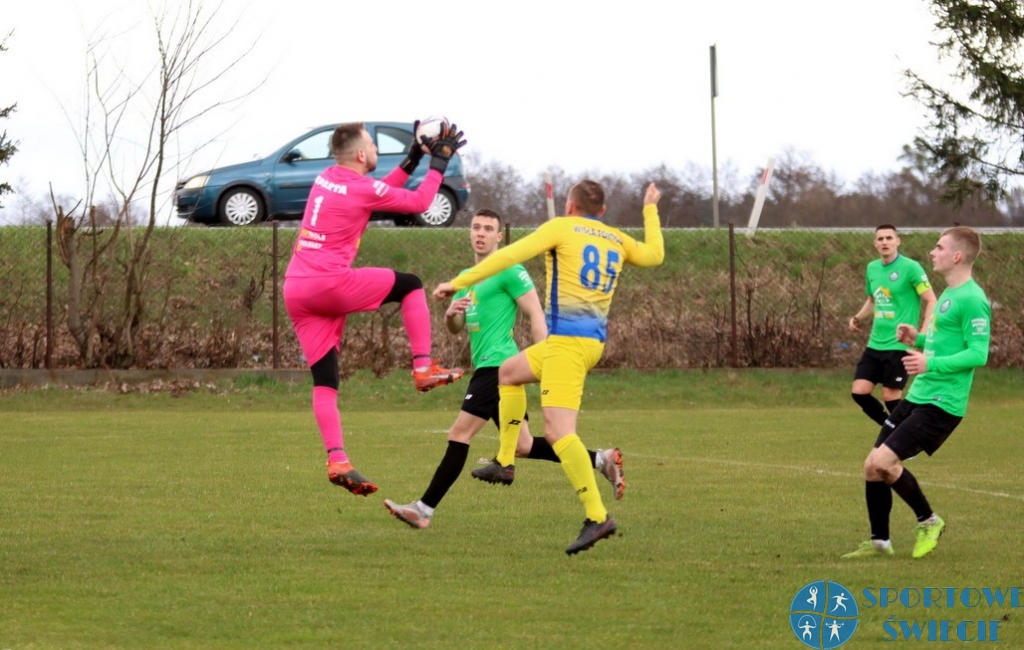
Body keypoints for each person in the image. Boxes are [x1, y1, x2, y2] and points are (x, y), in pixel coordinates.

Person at [434, 180, 664, 554]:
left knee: (559, 434)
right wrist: (649, 208)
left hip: (566, 346)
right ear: (602, 212)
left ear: (569, 206)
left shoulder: (561, 226)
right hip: (587, 344)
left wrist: (457, 282)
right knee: (508, 372)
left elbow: (507, 257)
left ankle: (596, 516)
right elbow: (655, 254)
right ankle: (505, 462)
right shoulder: (617, 239)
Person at [383, 209, 626, 529]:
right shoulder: (467, 278)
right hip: (489, 367)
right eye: (476, 227)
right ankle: (601, 459)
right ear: (469, 233)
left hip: (499, 367)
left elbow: (536, 313)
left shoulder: (510, 270)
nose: (480, 233)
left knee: (460, 433)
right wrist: (450, 314)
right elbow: (457, 328)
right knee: (522, 446)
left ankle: (423, 510)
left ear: (499, 237)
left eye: (488, 229)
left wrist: (548, 359)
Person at [283, 121, 467, 497]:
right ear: (363, 155)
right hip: (329, 284)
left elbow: (378, 192)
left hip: (297, 288)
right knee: (412, 285)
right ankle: (422, 367)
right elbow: (419, 203)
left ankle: (338, 459)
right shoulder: (362, 188)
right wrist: (439, 164)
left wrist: (414, 157)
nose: (376, 151)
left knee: (326, 381)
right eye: (373, 145)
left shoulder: (326, 178)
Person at [842, 226, 990, 560]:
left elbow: (978, 354)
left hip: (942, 403)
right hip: (919, 396)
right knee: (871, 466)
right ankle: (880, 541)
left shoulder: (972, 299)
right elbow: (941, 341)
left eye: (938, 247)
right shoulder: (948, 296)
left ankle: (929, 521)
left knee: (883, 461)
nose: (931, 253)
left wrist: (930, 363)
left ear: (957, 256)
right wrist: (917, 339)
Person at [848, 225, 936, 427]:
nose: (885, 242)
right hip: (875, 343)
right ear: (875, 244)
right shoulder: (872, 268)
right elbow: (873, 299)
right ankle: (894, 431)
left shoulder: (911, 268)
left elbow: (931, 300)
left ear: (898, 241)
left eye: (889, 238)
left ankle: (906, 438)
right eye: (880, 239)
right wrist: (858, 318)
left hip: (900, 345)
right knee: (859, 392)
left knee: (890, 396)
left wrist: (921, 336)